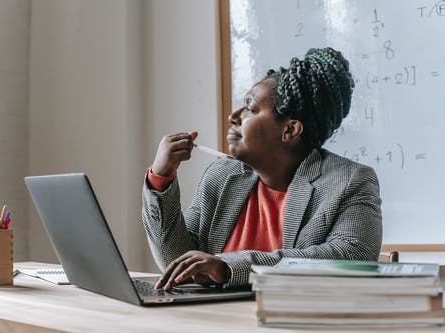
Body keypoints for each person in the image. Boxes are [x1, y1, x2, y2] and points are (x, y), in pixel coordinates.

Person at [142, 47, 382, 290]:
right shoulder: (222, 176)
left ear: (290, 130)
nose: (233, 116)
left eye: (250, 108)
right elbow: (177, 264)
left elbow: (352, 256)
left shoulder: (350, 181)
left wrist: (229, 267)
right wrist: (161, 178)